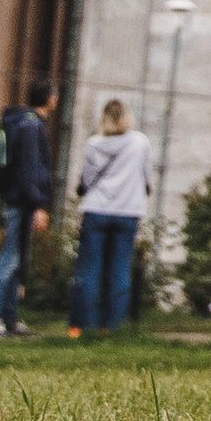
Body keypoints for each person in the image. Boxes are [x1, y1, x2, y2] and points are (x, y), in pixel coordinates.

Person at [66, 100, 153, 339]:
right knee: (119, 269)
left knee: (90, 269)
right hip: (127, 211)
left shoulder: (94, 144)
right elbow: (147, 177)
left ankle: (85, 325)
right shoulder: (140, 142)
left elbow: (86, 179)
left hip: (97, 209)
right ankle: (113, 326)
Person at [0, 93, 55, 339]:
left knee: (18, 259)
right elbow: (30, 169)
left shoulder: (19, 122)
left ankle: (8, 316)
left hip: (16, 197)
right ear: (50, 98)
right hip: (23, 201)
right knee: (11, 258)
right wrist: (38, 204)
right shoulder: (31, 126)